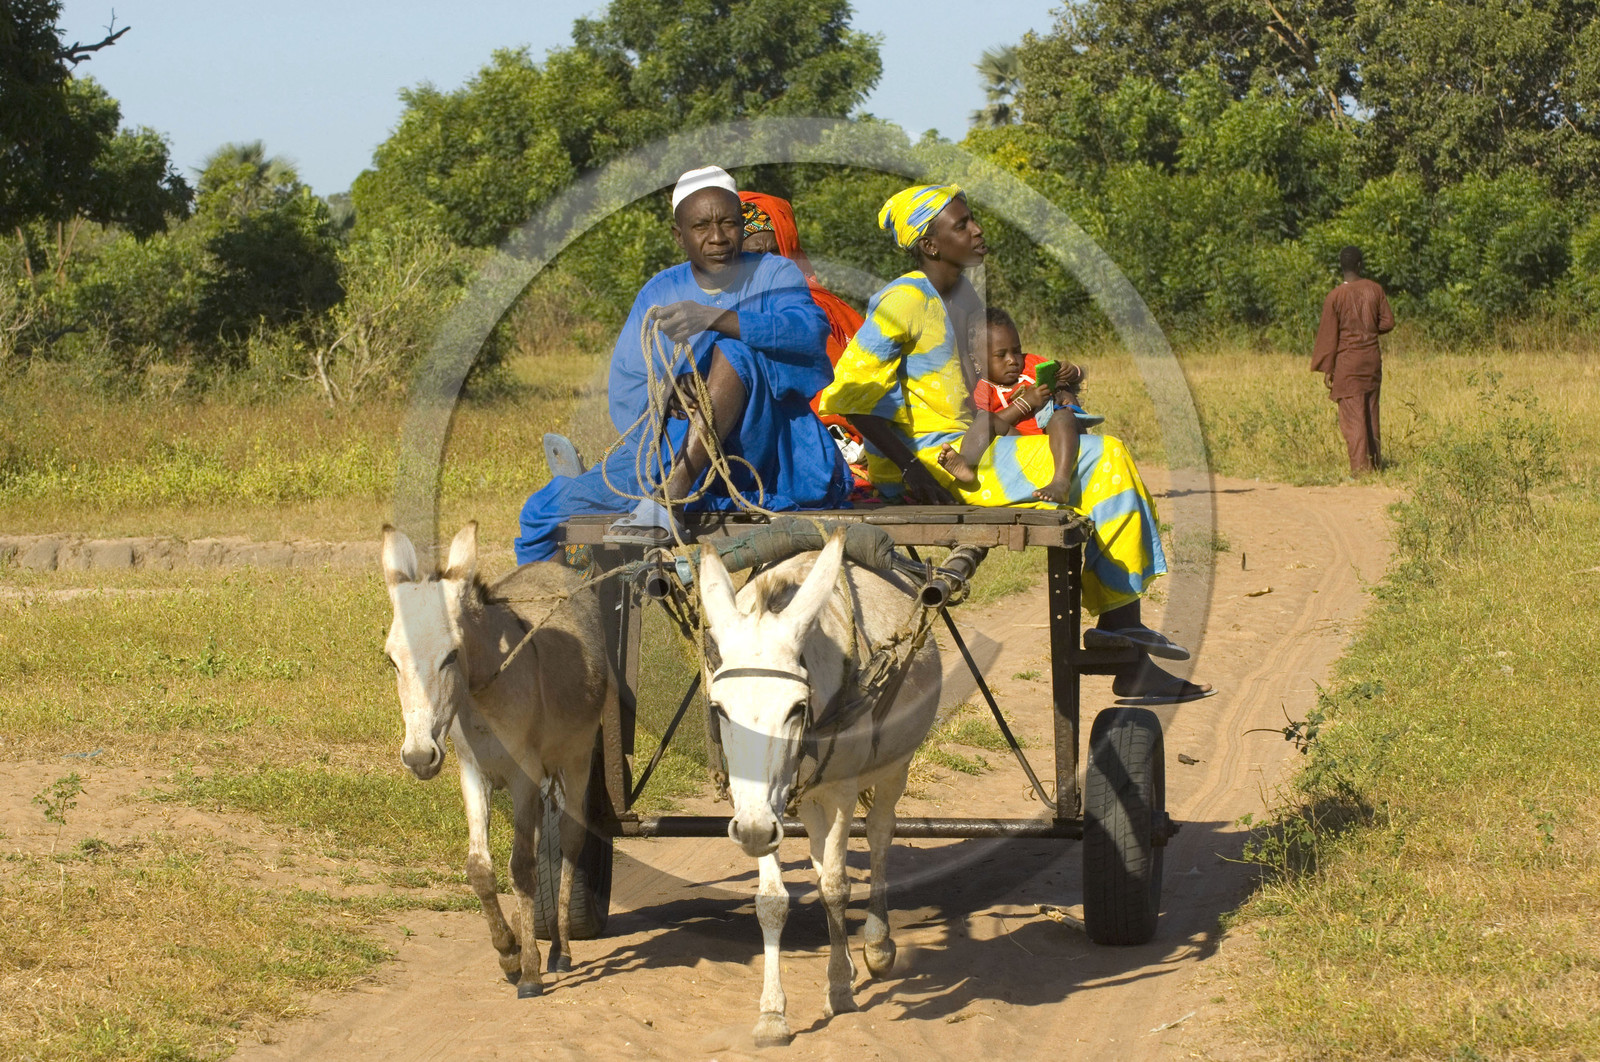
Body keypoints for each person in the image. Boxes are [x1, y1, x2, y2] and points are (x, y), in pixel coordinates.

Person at [816, 184, 1211, 704]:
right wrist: (909, 467)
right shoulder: (903, 300)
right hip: (939, 460)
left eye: (973, 219)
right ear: (930, 245)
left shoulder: (963, 297)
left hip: (974, 446)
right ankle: (1124, 638)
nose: (977, 229)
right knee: (1105, 456)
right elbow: (850, 396)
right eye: (961, 225)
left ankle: (1124, 634)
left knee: (1093, 448)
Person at [512, 166, 849, 562]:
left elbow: (808, 334)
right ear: (679, 236)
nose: (718, 237)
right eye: (702, 226)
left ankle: (670, 501)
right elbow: (631, 386)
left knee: (736, 350)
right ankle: (556, 613)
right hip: (667, 449)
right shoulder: (659, 290)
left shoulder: (775, 273)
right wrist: (670, 391)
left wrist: (716, 319)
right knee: (540, 513)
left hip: (759, 457)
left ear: (742, 227)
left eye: (728, 224)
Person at [737, 191, 870, 478]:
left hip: (823, 436)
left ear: (789, 251)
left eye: (774, 252)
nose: (766, 264)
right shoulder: (719, 309)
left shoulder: (816, 306)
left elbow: (842, 388)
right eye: (753, 255)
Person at [1311, 245, 1394, 476]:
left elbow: (1328, 335)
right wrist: (1368, 330)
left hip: (1348, 362)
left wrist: (1328, 368)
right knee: (1370, 411)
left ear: (1342, 267)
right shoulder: (1375, 290)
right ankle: (1375, 465)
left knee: (1353, 415)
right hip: (1372, 360)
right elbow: (1388, 322)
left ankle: (1361, 470)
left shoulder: (1335, 296)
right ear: (1360, 265)